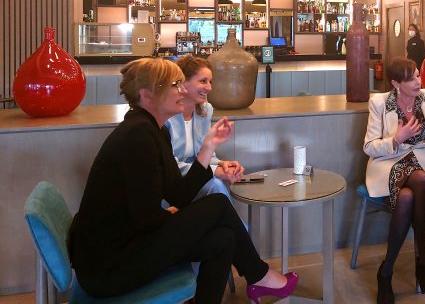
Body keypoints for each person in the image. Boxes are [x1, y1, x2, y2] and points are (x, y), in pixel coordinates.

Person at [68, 58, 298, 304]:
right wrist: (176, 217)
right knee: (219, 204)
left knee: (223, 240)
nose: (181, 91)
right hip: (109, 267)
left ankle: (257, 276)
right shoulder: (137, 137)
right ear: (147, 96)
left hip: (129, 247)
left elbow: (179, 194)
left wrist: (208, 146)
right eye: (173, 85)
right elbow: (145, 219)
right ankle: (259, 275)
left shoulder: (154, 131)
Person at [364, 57, 425, 304]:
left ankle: (386, 272)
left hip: (422, 163)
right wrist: (396, 139)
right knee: (419, 182)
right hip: (389, 166)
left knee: (410, 193)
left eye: (418, 75)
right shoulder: (379, 103)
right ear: (396, 83)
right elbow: (368, 147)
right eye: (411, 78)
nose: (418, 81)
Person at [167, 54, 243, 202]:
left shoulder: (205, 110)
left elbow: (203, 153)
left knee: (217, 186)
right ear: (183, 82)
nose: (209, 88)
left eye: (210, 82)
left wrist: (222, 164)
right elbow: (170, 167)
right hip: (172, 186)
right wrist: (215, 171)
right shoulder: (166, 115)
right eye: (203, 81)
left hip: (197, 177)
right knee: (216, 185)